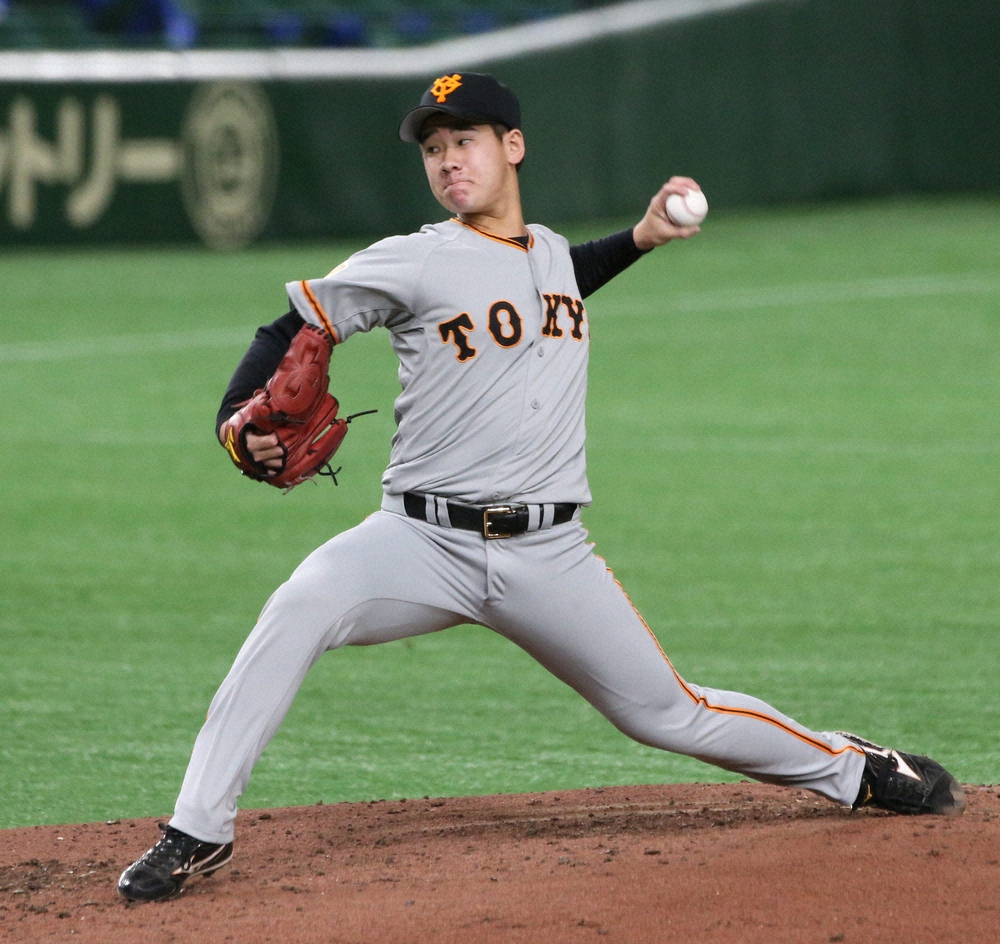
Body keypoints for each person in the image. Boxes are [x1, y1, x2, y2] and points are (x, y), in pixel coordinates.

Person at [117, 72, 966, 903]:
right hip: (418, 541)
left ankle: (854, 768)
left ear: (512, 146)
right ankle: (199, 828)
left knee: (668, 713)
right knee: (297, 609)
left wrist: (640, 239)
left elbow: (558, 276)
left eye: (466, 141)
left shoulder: (551, 251)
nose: (449, 160)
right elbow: (291, 326)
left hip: (550, 555)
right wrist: (235, 419)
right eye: (434, 149)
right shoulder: (414, 258)